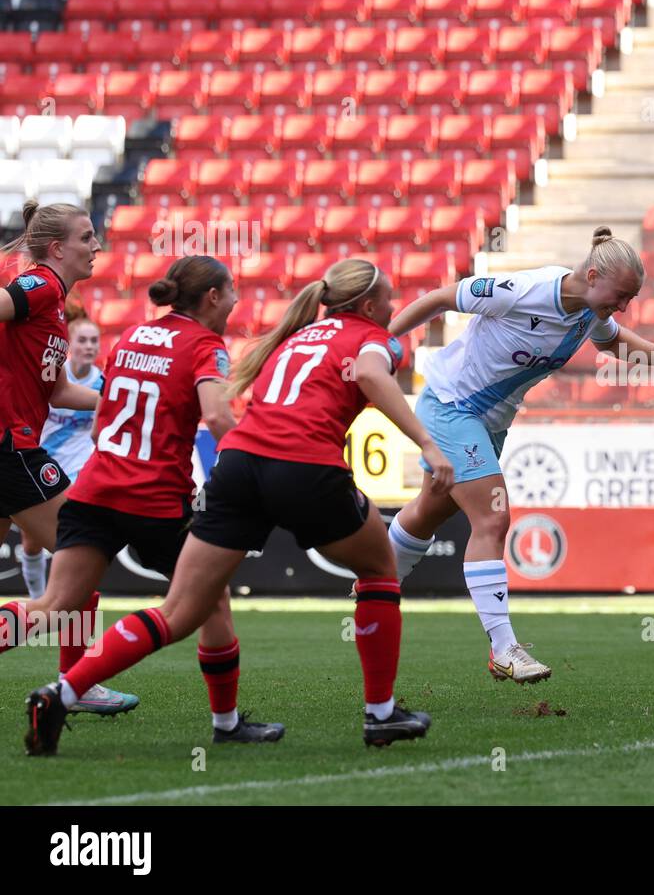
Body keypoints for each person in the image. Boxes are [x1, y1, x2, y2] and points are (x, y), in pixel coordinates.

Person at [25, 258, 455, 755]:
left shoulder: (293, 337)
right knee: (380, 567)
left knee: (180, 610)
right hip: (297, 466)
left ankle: (62, 694)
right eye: (388, 299)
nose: (393, 306)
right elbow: (368, 373)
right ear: (366, 304)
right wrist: (426, 442)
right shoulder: (366, 337)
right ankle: (381, 715)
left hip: (236, 467)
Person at [384, 227, 654, 683]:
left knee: (426, 513)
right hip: (451, 406)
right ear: (593, 275)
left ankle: (375, 583)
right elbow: (441, 298)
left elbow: (613, 340)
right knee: (493, 518)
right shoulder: (522, 291)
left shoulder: (589, 310)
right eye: (620, 297)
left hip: (491, 422)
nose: (622, 308)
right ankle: (504, 649)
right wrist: (381, 343)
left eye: (628, 301)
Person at [0, 200, 135, 713]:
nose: (96, 245)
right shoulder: (43, 286)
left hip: (10, 447)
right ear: (58, 249)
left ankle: (76, 684)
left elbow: (56, 392)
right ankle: (77, 685)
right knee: (85, 555)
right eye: (87, 237)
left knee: (79, 565)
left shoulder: (54, 305)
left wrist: (117, 401)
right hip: (13, 448)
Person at [18, 315, 103, 599]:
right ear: (70, 345)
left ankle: (63, 600)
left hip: (78, 469)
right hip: (42, 461)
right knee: (31, 542)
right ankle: (38, 601)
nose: (89, 346)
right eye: (83, 340)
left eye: (94, 341)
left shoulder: (103, 382)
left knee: (72, 535)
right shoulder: (52, 375)